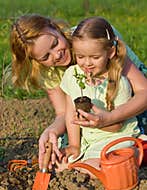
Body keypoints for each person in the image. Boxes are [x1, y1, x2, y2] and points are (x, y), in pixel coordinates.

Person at [10, 14, 147, 169]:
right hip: (94, 121)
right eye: (46, 56)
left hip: (130, 103)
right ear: (35, 60)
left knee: (109, 155)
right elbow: (64, 113)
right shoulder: (51, 73)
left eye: (55, 44)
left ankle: (134, 152)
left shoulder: (92, 38)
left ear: (56, 28)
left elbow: (144, 92)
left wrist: (108, 119)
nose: (57, 55)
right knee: (60, 161)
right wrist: (52, 131)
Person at [59, 16, 141, 173]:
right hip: (89, 140)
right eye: (80, 57)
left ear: (110, 52)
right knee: (59, 164)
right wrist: (74, 145)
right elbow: (70, 110)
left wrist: (99, 123)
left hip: (116, 137)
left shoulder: (118, 81)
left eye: (95, 57)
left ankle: (133, 153)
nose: (87, 63)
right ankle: (91, 162)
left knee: (91, 169)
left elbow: (117, 125)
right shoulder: (72, 74)